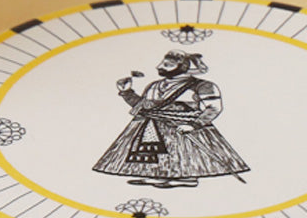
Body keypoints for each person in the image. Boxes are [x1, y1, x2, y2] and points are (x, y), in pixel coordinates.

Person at [92, 50, 248, 188]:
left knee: (182, 153)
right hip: (151, 125)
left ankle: (186, 177)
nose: (159, 66)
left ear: (183, 67)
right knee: (153, 152)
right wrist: (127, 92)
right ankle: (156, 174)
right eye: (162, 63)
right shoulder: (154, 85)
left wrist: (194, 125)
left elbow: (214, 108)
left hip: (183, 125)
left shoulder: (203, 86)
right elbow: (144, 106)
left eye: (167, 65)